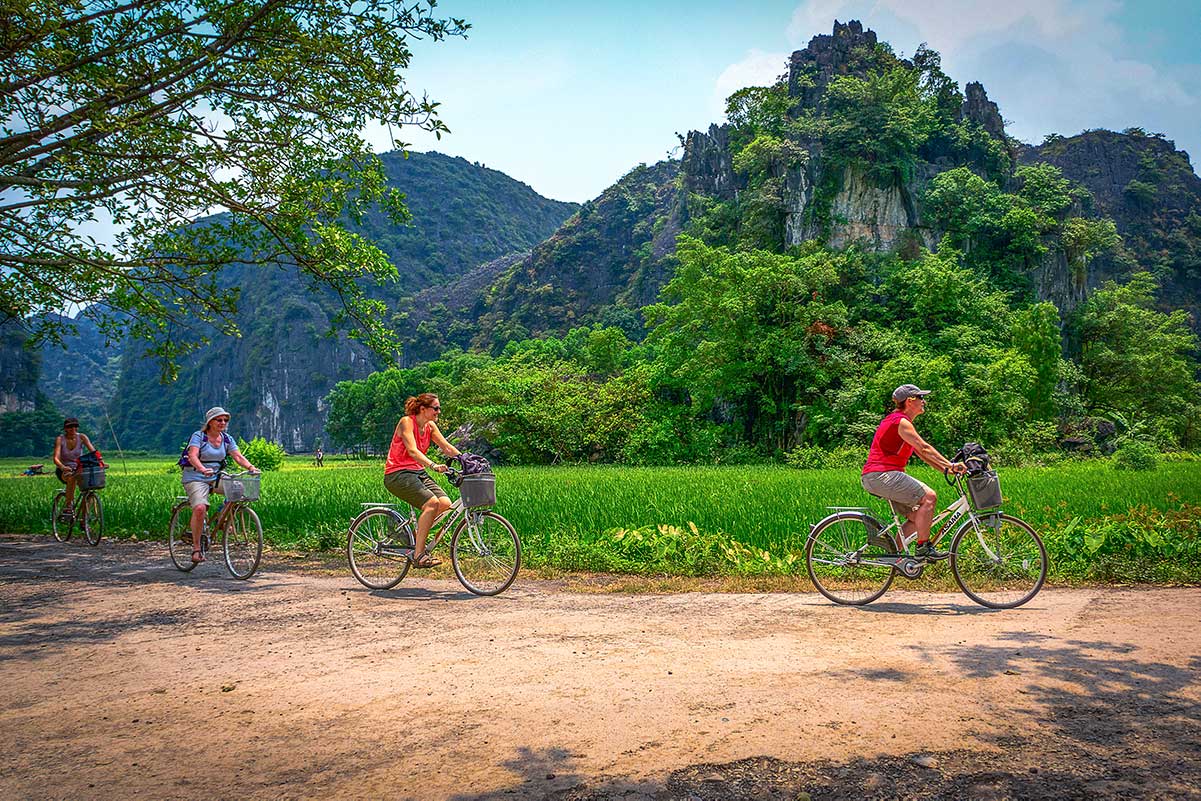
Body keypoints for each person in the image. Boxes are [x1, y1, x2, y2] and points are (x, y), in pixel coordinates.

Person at [861, 384, 966, 560]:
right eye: (921, 398)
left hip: (880, 477)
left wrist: (946, 470)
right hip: (882, 475)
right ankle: (923, 548)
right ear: (910, 401)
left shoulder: (900, 421)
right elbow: (924, 448)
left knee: (918, 517)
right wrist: (951, 465)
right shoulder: (901, 422)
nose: (924, 402)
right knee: (930, 497)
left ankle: (893, 555)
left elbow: (922, 454)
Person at [383, 394, 461, 568]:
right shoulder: (406, 422)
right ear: (423, 409)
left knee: (445, 504)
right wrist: (433, 465)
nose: (438, 411)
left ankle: (414, 539)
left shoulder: (430, 427)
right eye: (436, 408)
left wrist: (466, 459)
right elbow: (412, 451)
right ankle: (419, 555)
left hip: (417, 472)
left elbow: (447, 447)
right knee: (432, 503)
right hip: (397, 474)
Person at [182, 407, 259, 564]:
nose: (223, 423)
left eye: (225, 420)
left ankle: (221, 520)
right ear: (210, 422)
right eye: (219, 420)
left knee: (238, 489)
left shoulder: (227, 439)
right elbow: (192, 456)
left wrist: (251, 467)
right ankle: (196, 548)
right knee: (200, 508)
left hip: (216, 476)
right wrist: (202, 469)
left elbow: (237, 456)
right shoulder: (199, 436)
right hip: (195, 476)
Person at [52, 418, 95, 520]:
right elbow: (56, 458)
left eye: (75, 426)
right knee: (71, 478)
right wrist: (62, 467)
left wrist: (99, 462)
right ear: (65, 429)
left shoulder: (82, 437)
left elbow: (93, 452)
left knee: (89, 490)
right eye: (70, 427)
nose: (73, 428)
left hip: (79, 468)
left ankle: (85, 520)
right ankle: (68, 506)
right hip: (64, 470)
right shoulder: (60, 439)